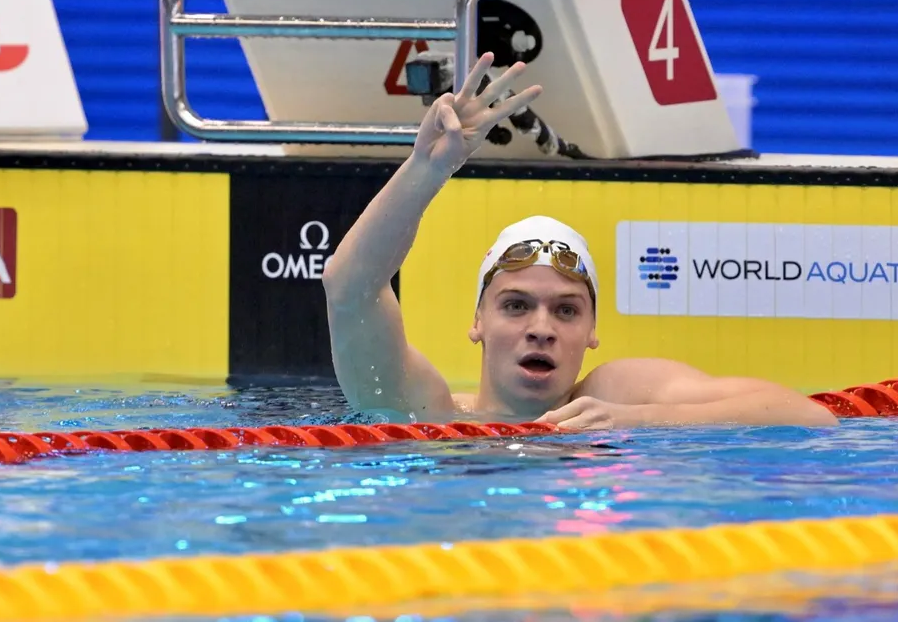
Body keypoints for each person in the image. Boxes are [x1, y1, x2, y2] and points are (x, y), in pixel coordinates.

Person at [322, 53, 838, 430]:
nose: (541, 329)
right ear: (478, 322)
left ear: (593, 331)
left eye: (566, 311)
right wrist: (425, 171)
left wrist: (637, 420)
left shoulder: (614, 395)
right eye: (516, 305)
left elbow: (809, 417)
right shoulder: (424, 408)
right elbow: (350, 289)